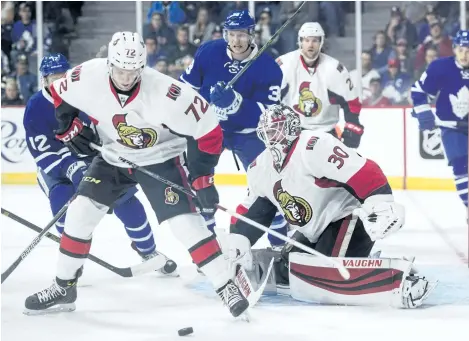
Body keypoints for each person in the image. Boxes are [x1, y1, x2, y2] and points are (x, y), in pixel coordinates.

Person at [24, 33, 250, 319]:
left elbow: (209, 131)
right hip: (113, 156)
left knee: (185, 224)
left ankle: (226, 286)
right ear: (109, 65)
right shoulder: (88, 74)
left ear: (142, 67)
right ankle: (64, 287)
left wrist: (203, 178)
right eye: (120, 71)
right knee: (80, 213)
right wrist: (67, 124)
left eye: (133, 72)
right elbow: (60, 92)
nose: (127, 78)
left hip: (161, 157)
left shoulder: (167, 93)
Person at [230, 103, 436, 309]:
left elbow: (365, 171)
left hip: (347, 216)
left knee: (325, 274)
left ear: (292, 128)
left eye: (275, 130)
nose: (271, 138)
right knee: (288, 270)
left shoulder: (313, 146)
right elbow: (257, 211)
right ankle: (359, 262)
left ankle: (404, 279)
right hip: (313, 229)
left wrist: (380, 203)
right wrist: (239, 238)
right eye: (267, 133)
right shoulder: (260, 167)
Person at [23, 53, 178, 273]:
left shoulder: (83, 95)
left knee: (126, 200)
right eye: (52, 79)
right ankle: (72, 264)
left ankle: (148, 251)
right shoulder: (36, 106)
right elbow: (42, 151)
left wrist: (114, 149)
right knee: (62, 202)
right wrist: (69, 166)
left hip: (90, 159)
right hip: (56, 170)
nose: (58, 83)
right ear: (44, 80)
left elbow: (106, 127)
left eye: (61, 77)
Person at [179, 10, 288, 247]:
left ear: (251, 35)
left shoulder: (269, 68)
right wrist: (199, 109)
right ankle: (207, 243)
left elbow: (269, 114)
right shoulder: (209, 52)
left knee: (270, 186)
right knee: (200, 187)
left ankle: (279, 246)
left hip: (247, 136)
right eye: (231, 34)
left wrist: (235, 104)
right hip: (210, 130)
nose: (236, 41)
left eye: (241, 35)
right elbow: (185, 88)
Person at [277, 22, 364, 149]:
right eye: (306, 40)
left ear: (321, 42)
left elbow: (352, 102)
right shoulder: (284, 65)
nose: (310, 45)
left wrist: (352, 124)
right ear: (300, 41)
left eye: (315, 40)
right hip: (292, 133)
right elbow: (268, 98)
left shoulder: (334, 69)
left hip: (326, 133)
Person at [411, 30, 469, 207]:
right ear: (454, 49)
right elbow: (419, 91)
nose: (464, 55)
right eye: (461, 50)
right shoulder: (440, 67)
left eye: (468, 50)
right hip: (452, 128)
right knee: (461, 166)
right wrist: (424, 112)